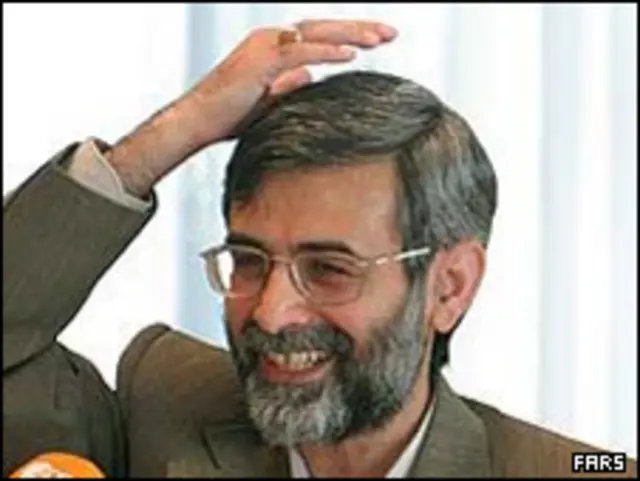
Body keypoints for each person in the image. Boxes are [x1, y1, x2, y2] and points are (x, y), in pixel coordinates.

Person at [3, 18, 636, 479]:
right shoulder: (164, 403)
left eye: (329, 269)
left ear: (449, 287)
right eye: (249, 261)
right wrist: (175, 132)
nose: (272, 312)